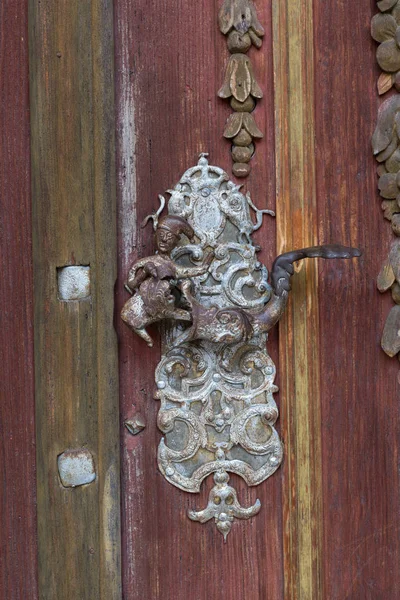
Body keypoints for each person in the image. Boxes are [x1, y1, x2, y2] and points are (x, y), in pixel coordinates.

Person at [121, 215, 213, 346]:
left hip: (163, 304)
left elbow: (192, 271)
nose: (164, 239)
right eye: (161, 235)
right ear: (155, 236)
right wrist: (144, 273)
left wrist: (206, 265)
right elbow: (131, 284)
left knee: (179, 312)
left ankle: (200, 321)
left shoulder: (173, 268)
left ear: (175, 244)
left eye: (169, 237)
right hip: (144, 305)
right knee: (128, 314)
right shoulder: (145, 262)